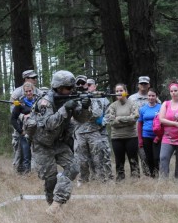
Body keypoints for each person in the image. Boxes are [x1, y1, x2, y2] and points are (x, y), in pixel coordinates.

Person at [23, 70, 81, 214]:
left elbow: (82, 119)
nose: (71, 91)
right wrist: (64, 108)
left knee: (73, 167)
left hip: (59, 142)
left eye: (72, 88)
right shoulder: (45, 101)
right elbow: (49, 123)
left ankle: (57, 203)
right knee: (50, 179)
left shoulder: (70, 98)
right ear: (58, 87)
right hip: (42, 144)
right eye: (68, 88)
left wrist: (84, 107)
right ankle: (52, 207)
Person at [72, 80, 113, 183]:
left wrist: (102, 121)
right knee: (81, 160)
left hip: (95, 131)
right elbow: (71, 116)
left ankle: (101, 180)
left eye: (88, 85)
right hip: (79, 132)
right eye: (80, 84)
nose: (85, 86)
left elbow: (101, 114)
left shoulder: (99, 98)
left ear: (94, 86)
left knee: (99, 158)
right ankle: (83, 181)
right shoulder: (74, 97)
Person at [105, 83, 140, 180]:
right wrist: (127, 120)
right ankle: (120, 179)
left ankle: (135, 179)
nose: (119, 92)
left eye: (121, 90)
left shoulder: (132, 104)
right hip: (116, 137)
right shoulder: (112, 106)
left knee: (133, 160)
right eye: (117, 91)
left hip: (131, 136)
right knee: (119, 161)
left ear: (126, 92)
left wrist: (119, 118)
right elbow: (111, 121)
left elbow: (135, 118)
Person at [10, 70, 40, 173]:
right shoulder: (17, 93)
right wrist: (23, 117)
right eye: (32, 78)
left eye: (35, 77)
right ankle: (20, 172)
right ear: (26, 79)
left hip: (36, 129)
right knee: (20, 152)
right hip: (21, 127)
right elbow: (12, 110)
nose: (35, 79)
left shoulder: (39, 93)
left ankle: (36, 172)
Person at [137, 88, 161, 177]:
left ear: (156, 97)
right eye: (149, 96)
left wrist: (159, 136)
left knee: (156, 157)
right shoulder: (143, 109)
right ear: (147, 97)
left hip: (157, 137)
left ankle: (158, 173)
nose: (151, 97)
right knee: (149, 158)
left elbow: (163, 123)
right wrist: (140, 139)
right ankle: (152, 175)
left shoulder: (161, 107)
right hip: (146, 136)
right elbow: (139, 124)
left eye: (153, 96)